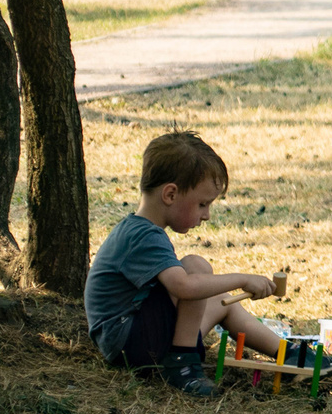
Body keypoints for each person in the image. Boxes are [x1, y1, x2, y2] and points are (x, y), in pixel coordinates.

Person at [85, 132, 287, 397]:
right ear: (170, 194)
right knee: (196, 266)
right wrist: (243, 279)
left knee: (221, 302)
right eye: (202, 204)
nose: (206, 215)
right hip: (127, 340)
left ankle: (287, 354)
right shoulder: (142, 236)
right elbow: (184, 287)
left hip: (132, 338)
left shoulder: (142, 230)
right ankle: (182, 364)